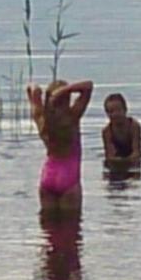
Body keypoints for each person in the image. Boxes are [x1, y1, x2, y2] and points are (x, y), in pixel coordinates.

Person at [27, 79, 93, 212]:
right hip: (68, 177)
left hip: (48, 177)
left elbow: (31, 89)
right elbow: (88, 86)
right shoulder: (71, 117)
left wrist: (36, 90)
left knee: (48, 229)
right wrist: (64, 90)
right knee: (71, 228)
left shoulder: (41, 117)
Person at [101, 93, 141, 166]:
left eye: (118, 110)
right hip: (117, 158)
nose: (115, 114)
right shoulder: (107, 131)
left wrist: (127, 162)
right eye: (111, 111)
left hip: (132, 157)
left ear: (125, 110)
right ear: (107, 114)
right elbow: (109, 155)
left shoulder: (134, 126)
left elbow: (136, 152)